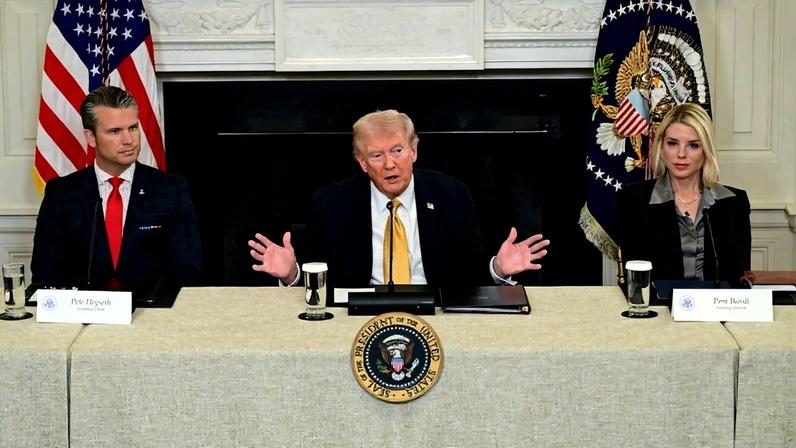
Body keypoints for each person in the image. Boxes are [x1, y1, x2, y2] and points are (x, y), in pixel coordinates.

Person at [248, 110, 550, 297]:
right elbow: (320, 287)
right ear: (362, 162)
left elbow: (468, 278)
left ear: (414, 152)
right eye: (377, 155)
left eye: (398, 151)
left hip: (434, 311)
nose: (390, 164)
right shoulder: (331, 203)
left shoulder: (452, 195)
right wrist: (292, 275)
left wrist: (498, 269)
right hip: (358, 317)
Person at [30, 86, 202, 299]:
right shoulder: (62, 193)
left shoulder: (171, 189)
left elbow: (188, 273)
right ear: (91, 138)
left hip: (151, 316)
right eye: (115, 131)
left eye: (133, 128)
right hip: (82, 315)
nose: (129, 139)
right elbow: (45, 275)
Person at [616, 103, 751, 285]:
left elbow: (739, 277)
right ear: (661, 148)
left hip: (718, 310)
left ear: (706, 150)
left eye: (693, 145)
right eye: (672, 143)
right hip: (658, 308)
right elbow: (637, 277)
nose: (681, 154)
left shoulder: (734, 203)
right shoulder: (634, 200)